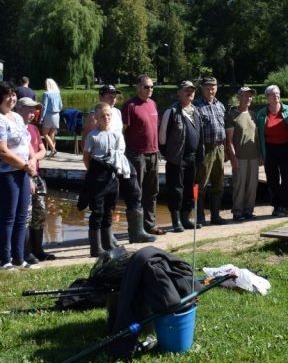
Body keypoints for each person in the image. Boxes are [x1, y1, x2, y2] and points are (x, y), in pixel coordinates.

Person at [0, 82, 38, 270]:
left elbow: (26, 143)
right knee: (8, 216)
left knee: (22, 216)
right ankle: (5, 260)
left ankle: (19, 258)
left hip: (22, 172)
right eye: (8, 95)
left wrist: (31, 161)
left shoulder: (16, 116)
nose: (12, 98)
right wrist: (25, 165)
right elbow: (2, 151)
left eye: (14, 95)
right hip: (4, 173)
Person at [82, 102, 129, 256]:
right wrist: (93, 172)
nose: (106, 118)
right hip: (97, 175)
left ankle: (108, 243)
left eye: (108, 115)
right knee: (97, 211)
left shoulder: (116, 134)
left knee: (109, 210)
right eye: (102, 116)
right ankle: (96, 248)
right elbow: (86, 157)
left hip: (112, 176)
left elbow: (120, 153)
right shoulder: (93, 135)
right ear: (96, 117)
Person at [122, 74, 163, 238]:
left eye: (152, 87)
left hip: (153, 153)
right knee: (135, 192)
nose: (150, 90)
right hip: (137, 155)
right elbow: (122, 131)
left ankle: (149, 225)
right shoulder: (129, 106)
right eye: (146, 86)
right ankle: (135, 229)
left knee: (152, 191)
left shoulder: (153, 104)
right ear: (138, 87)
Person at [159, 81, 202, 232]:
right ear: (179, 92)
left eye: (192, 90)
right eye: (186, 90)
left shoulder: (196, 110)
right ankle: (176, 221)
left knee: (190, 189)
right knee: (176, 190)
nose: (190, 93)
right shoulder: (171, 111)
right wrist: (169, 155)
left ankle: (186, 218)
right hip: (176, 158)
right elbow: (162, 137)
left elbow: (200, 134)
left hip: (192, 158)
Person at [15, 96, 54, 262]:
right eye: (29, 110)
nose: (32, 113)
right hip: (22, 174)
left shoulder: (33, 128)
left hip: (36, 174)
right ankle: (24, 251)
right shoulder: (15, 128)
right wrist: (27, 165)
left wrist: (33, 159)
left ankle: (38, 249)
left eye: (34, 110)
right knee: (26, 214)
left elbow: (42, 150)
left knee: (40, 212)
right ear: (19, 109)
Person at [257, 85, 288, 217]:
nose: (276, 96)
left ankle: (286, 206)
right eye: (273, 94)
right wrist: (260, 154)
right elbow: (258, 136)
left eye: (278, 93)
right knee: (272, 180)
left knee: (287, 179)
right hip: (269, 149)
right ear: (267, 97)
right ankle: (276, 206)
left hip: (286, 148)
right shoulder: (262, 114)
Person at [194, 76, 228, 225]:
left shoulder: (220, 105)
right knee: (200, 183)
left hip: (219, 147)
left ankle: (215, 216)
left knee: (218, 182)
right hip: (205, 148)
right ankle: (200, 217)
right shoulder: (196, 106)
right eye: (207, 87)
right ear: (202, 89)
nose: (210, 90)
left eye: (213, 87)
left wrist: (226, 149)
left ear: (216, 88)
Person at [225, 86, 259, 220]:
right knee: (239, 185)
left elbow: (257, 137)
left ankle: (248, 211)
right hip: (240, 157)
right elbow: (229, 140)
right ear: (239, 97)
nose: (248, 98)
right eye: (245, 95)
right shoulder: (232, 115)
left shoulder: (254, 115)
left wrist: (261, 155)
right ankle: (237, 212)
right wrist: (233, 158)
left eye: (250, 96)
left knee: (252, 185)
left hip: (254, 156)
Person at [40, 78, 63, 156]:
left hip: (48, 115)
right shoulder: (57, 94)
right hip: (57, 115)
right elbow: (61, 106)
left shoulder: (46, 94)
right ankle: (52, 152)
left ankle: (53, 149)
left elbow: (44, 107)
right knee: (52, 134)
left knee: (45, 134)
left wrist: (41, 117)